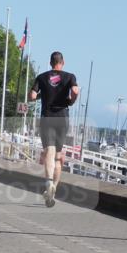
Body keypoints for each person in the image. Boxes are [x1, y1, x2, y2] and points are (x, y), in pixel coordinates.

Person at [29, 51, 79, 207]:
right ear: (62, 62)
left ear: (50, 63)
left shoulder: (42, 77)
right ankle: (53, 189)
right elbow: (75, 91)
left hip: (47, 117)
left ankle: (49, 182)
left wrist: (41, 95)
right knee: (58, 156)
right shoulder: (70, 76)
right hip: (62, 118)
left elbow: (31, 96)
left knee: (49, 152)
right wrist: (71, 101)